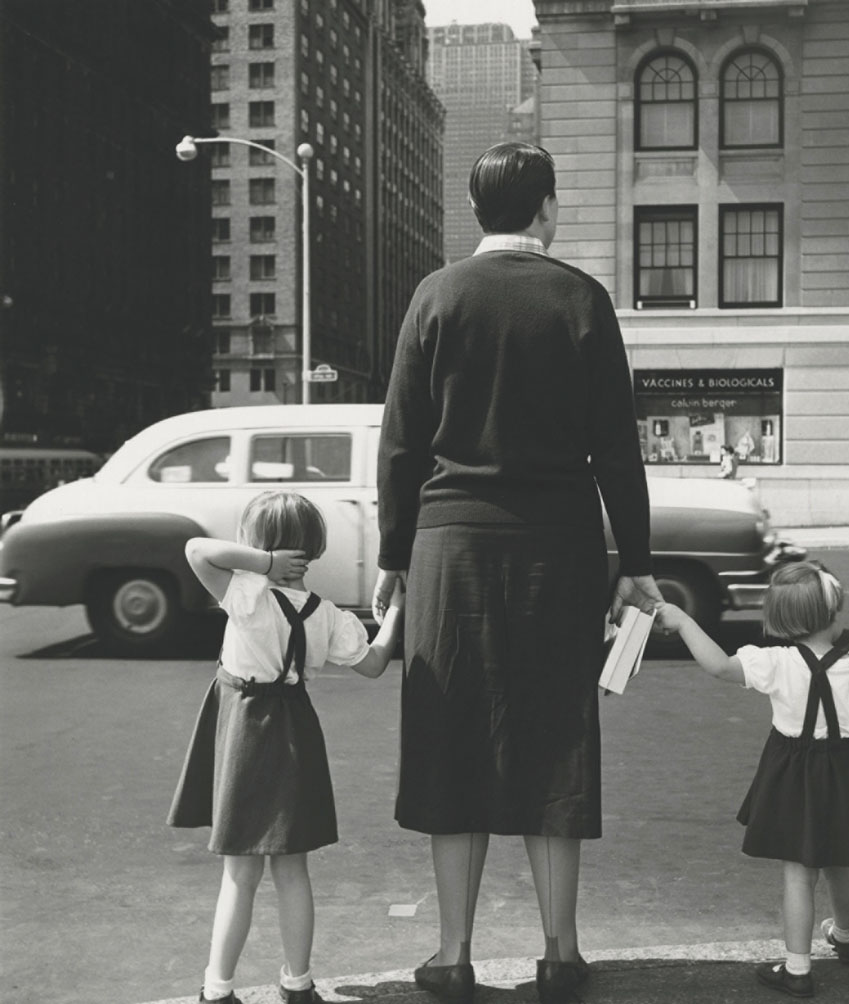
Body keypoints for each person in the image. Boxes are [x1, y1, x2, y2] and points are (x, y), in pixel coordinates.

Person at [372, 142, 662, 1004]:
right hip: (558, 548)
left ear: (475, 212)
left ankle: (453, 955)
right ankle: (559, 953)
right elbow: (618, 446)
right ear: (546, 208)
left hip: (449, 546)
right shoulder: (581, 300)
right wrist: (636, 565)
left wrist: (393, 559)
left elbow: (399, 444)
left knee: (451, 736)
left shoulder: (437, 295)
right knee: (554, 740)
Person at [167, 490, 404, 1004]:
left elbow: (195, 549)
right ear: (313, 548)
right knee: (293, 870)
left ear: (259, 546)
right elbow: (373, 663)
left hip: (245, 729)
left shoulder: (246, 593)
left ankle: (218, 988)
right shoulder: (328, 616)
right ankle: (297, 984)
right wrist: (396, 611)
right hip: (296, 729)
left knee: (240, 872)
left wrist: (263, 563)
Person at [653, 561, 849, 999]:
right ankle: (846, 937)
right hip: (842, 774)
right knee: (840, 862)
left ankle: (798, 968)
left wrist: (685, 621)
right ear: (832, 615)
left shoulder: (776, 662)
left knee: (799, 873)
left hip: (791, 772)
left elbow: (721, 667)